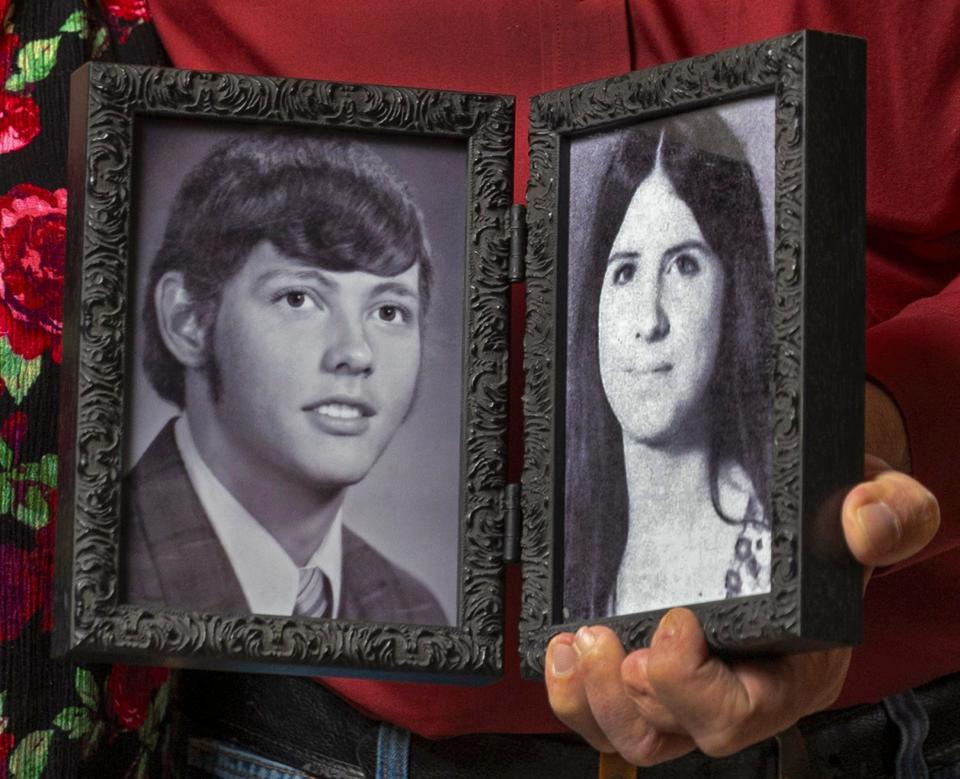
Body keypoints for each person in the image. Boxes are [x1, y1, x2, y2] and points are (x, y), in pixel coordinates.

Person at [120, 132, 448, 627]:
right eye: (298, 298)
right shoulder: (110, 570)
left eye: (388, 310)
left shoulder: (414, 613)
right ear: (187, 319)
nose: (356, 353)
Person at [564, 112, 773, 620]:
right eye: (626, 271)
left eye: (684, 265)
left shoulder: (770, 558)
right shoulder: (573, 554)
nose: (648, 318)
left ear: (733, 297)